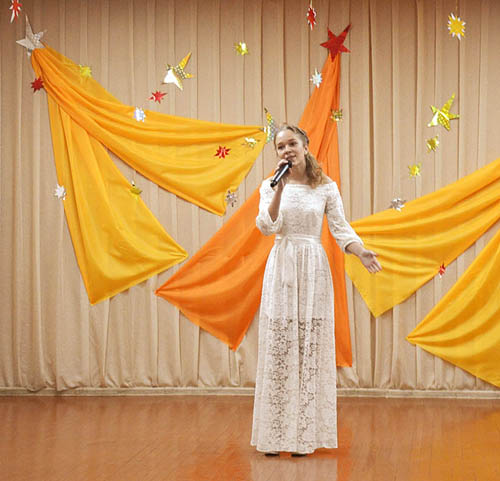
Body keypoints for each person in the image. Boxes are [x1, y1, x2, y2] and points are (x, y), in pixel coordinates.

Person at [250, 124, 381, 456]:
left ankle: (303, 437)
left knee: (308, 344)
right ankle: (274, 435)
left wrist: (360, 251)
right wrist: (278, 190)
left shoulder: (325, 186)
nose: (287, 150)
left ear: (305, 146)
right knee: (280, 346)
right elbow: (266, 226)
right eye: (280, 146)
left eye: (292, 143)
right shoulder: (270, 185)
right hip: (282, 265)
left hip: (312, 268)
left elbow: (340, 228)